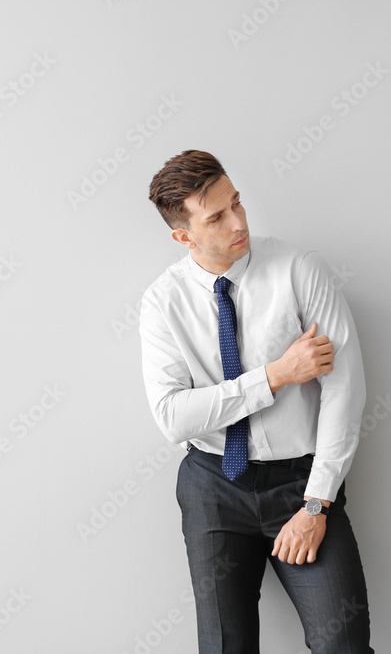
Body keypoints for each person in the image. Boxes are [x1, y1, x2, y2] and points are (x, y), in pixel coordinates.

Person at [139, 150, 374, 653]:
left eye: (237, 203)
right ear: (184, 236)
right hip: (213, 487)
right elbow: (173, 418)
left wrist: (316, 503)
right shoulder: (163, 303)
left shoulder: (298, 269)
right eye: (216, 216)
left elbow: (345, 391)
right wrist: (276, 375)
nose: (238, 221)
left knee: (344, 647)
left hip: (302, 483)